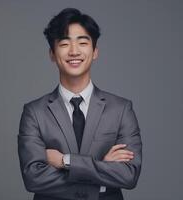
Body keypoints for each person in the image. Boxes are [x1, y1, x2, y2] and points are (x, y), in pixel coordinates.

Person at [18, 8, 142, 200]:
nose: (74, 51)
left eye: (83, 43)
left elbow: (129, 175)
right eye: (64, 43)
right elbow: (33, 178)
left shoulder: (121, 109)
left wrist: (64, 161)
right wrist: (102, 170)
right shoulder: (34, 112)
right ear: (52, 53)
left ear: (95, 52)